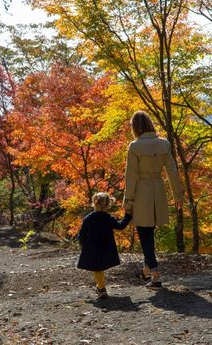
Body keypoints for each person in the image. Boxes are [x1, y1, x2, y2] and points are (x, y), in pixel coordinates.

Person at [123, 111, 183, 288]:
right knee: (149, 234)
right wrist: (178, 195)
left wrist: (128, 201)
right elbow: (172, 171)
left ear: (135, 127)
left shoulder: (134, 147)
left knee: (145, 234)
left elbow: (131, 176)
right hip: (158, 189)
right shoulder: (163, 144)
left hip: (141, 191)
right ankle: (146, 271)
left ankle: (155, 276)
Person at [77, 192, 132, 299]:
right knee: (99, 268)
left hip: (92, 247)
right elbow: (120, 226)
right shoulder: (107, 218)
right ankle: (101, 287)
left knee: (97, 268)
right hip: (105, 247)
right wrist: (128, 216)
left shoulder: (88, 218)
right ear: (107, 205)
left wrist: (83, 245)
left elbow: (82, 235)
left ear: (94, 203)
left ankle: (101, 288)